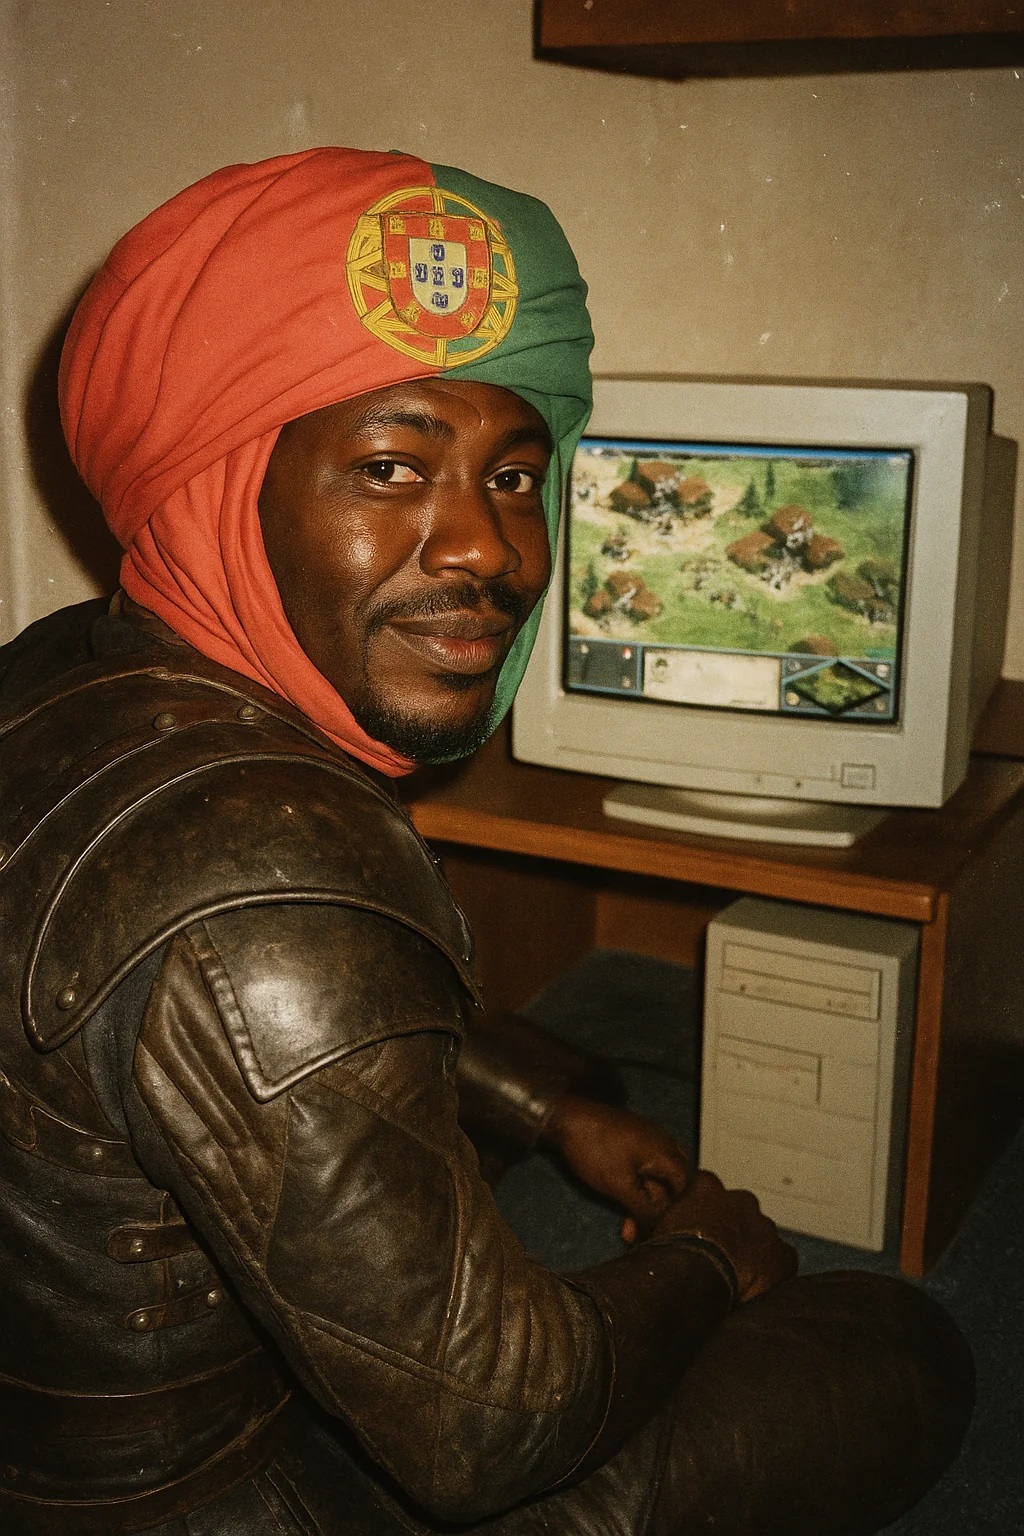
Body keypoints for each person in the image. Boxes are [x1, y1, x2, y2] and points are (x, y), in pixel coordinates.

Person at [0, 147, 972, 1535]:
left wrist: (549, 1112)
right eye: (390, 468)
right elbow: (490, 1431)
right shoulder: (266, 877)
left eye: (515, 477)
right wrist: (705, 1256)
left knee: (566, 1091)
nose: (489, 550)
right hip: (214, 1494)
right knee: (897, 1349)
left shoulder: (63, 669)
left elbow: (235, 1043)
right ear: (224, 483)